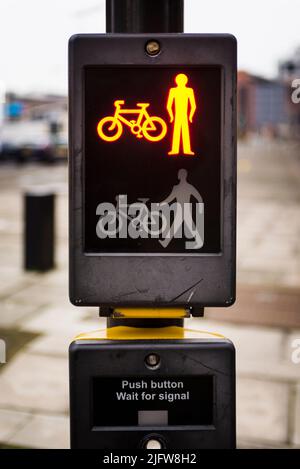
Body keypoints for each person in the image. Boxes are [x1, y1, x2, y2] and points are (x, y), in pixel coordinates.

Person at [167, 73, 196, 155]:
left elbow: (193, 105)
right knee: (176, 132)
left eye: (182, 80)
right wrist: (171, 115)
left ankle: (187, 150)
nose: (181, 82)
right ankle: (175, 150)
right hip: (178, 114)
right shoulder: (173, 90)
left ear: (185, 81)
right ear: (176, 81)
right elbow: (169, 105)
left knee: (185, 132)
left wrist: (190, 116)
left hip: (184, 114)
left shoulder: (189, 90)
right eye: (179, 80)